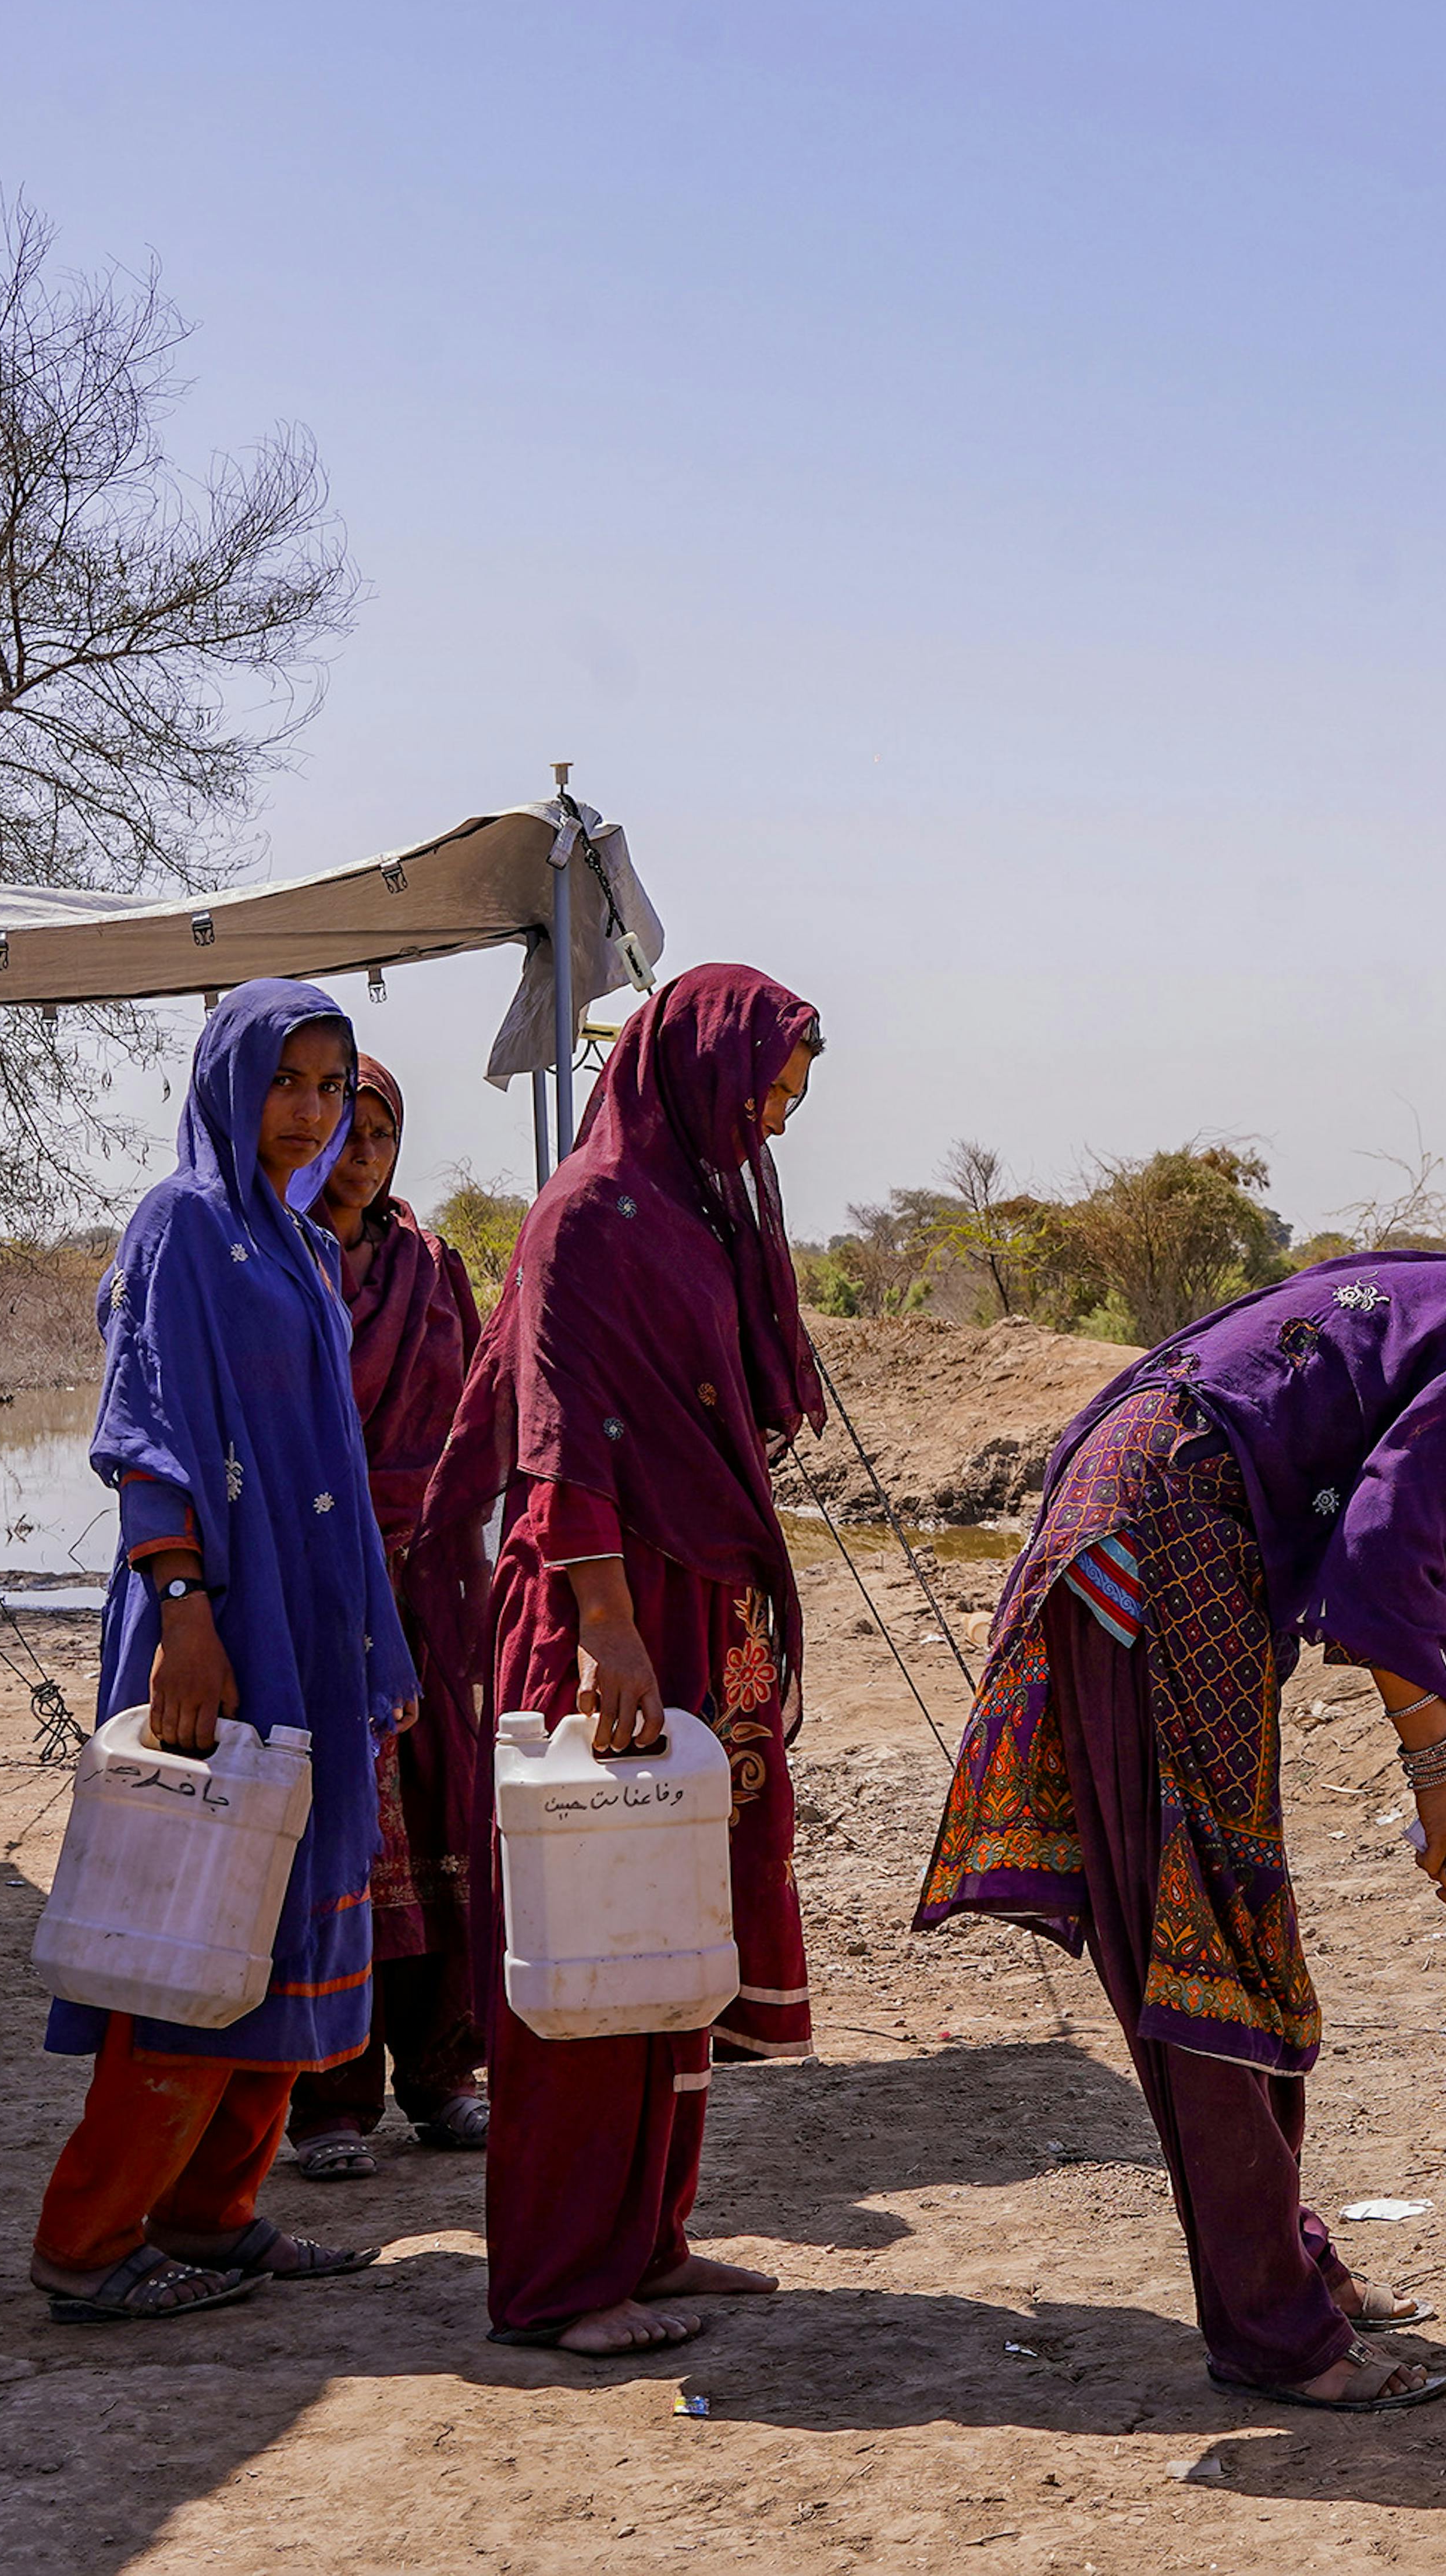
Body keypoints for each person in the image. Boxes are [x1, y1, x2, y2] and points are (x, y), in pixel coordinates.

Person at [918, 1250, 1446, 2413]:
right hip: (1167, 1541)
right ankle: (1273, 2329)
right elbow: (1387, 1558)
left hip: (1155, 1514)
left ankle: (1289, 2269)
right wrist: (1439, 1776)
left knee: (1229, 1925)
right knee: (1210, 1939)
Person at [421, 965, 823, 2357]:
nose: (774, 1120)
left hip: (684, 1606)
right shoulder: (589, 1213)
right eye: (766, 1089)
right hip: (606, 1610)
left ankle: (650, 2236)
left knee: (664, 1920)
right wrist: (605, 1629)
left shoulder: (695, 1215)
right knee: (586, 1921)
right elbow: (561, 1429)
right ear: (699, 1071)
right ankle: (554, 2277)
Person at [27, 979, 410, 2323]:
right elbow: (147, 1432)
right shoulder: (182, 1226)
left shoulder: (297, 1244)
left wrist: (374, 1645)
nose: (309, 1114)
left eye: (330, 1086)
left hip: (303, 1622)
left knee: (287, 1914)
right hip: (217, 1615)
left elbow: (335, 1466)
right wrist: (182, 1609)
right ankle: (87, 2239)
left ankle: (214, 2210)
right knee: (197, 1920)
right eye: (287, 1083)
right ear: (228, 1083)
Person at [280, 1052, 493, 2178]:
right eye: (341, 1134)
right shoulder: (272, 1257)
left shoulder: (428, 1268)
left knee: (441, 1812)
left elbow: (472, 1416)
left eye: (378, 1135)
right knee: (338, 1833)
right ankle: (329, 2096)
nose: (359, 1157)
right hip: (315, 1577)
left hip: (424, 1581)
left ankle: (443, 2071)